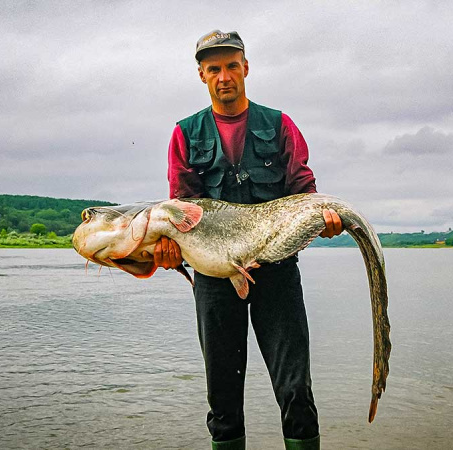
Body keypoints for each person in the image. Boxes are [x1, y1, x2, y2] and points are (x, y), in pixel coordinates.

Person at [148, 30, 342, 450]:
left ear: (245, 68)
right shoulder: (185, 133)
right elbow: (181, 210)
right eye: (214, 68)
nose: (224, 76)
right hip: (214, 278)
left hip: (277, 272)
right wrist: (169, 251)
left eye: (232, 66)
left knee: (296, 391)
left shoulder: (280, 124)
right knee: (222, 401)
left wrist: (322, 220)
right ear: (202, 75)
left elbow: (303, 191)